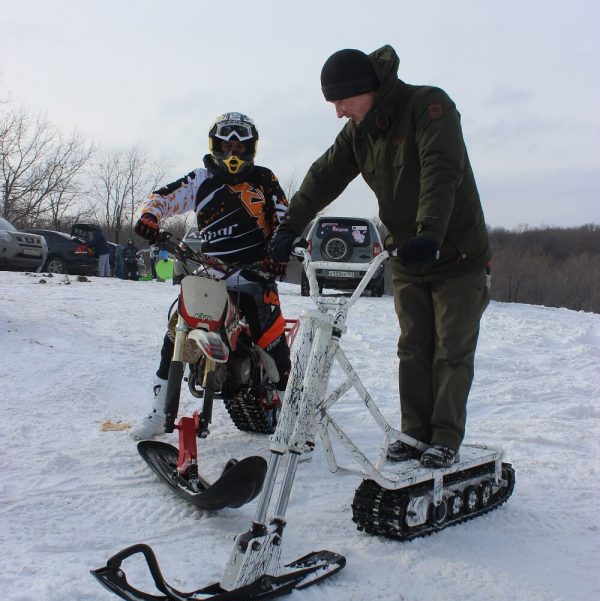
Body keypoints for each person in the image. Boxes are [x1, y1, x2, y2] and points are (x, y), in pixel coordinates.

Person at [269, 45, 491, 469]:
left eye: (340, 101)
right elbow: (323, 175)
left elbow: (441, 170)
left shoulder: (429, 107)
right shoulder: (360, 132)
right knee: (413, 346)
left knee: (451, 348)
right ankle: (414, 434)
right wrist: (288, 226)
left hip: (455, 252)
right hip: (410, 255)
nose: (338, 112)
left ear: (364, 88)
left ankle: (444, 437)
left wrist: (430, 234)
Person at [131, 111, 291, 439]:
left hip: (255, 271)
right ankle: (160, 412)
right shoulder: (201, 179)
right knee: (177, 326)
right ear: (215, 146)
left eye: (240, 148)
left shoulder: (264, 179)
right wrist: (149, 217)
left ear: (251, 149)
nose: (233, 155)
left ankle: (293, 410)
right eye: (226, 147)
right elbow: (163, 196)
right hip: (211, 270)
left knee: (268, 335)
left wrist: (279, 253)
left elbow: (286, 219)